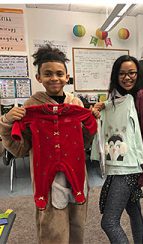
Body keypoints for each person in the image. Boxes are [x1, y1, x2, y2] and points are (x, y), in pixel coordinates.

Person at [0, 44, 97, 243]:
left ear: (67, 77)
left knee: (77, 227)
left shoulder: (76, 104)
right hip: (48, 182)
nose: (54, 78)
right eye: (48, 73)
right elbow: (19, 149)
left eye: (59, 73)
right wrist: (7, 123)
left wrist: (90, 122)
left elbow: (84, 141)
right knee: (52, 232)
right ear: (39, 78)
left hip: (77, 176)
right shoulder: (31, 106)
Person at [93, 55, 143, 243]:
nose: (127, 77)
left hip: (130, 166)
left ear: (138, 74)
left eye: (132, 73)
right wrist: (101, 107)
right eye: (122, 73)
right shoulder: (116, 97)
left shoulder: (142, 96)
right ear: (116, 75)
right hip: (118, 161)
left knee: (109, 222)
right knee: (133, 209)